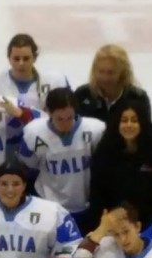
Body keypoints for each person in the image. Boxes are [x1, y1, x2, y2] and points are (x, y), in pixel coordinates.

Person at [18, 87, 106, 228]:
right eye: (59, 119)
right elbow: (29, 166)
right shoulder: (33, 133)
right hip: (49, 205)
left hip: (87, 205)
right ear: (48, 112)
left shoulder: (96, 130)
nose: (65, 124)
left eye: (69, 118)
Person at [88, 101, 152, 233]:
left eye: (134, 120)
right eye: (124, 120)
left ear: (142, 123)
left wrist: (149, 228)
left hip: (149, 225)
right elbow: (97, 193)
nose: (129, 125)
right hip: (113, 225)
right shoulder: (105, 151)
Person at [72, 44, 152, 126]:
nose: (105, 78)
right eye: (101, 72)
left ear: (122, 72)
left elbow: (146, 132)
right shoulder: (82, 95)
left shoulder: (138, 98)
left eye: (111, 73)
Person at [0, 34, 71, 112]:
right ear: (9, 58)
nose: (21, 63)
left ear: (34, 58)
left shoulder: (54, 82)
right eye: (16, 59)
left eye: (26, 59)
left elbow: (71, 114)